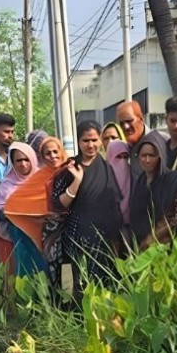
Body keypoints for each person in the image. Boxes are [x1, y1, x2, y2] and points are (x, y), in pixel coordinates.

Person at [52, 121, 124, 291]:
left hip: (102, 237)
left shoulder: (108, 168)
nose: (90, 145)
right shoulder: (68, 169)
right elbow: (58, 205)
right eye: (85, 141)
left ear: (100, 141)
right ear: (78, 142)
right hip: (75, 234)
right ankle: (74, 315)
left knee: (102, 283)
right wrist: (76, 182)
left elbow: (114, 204)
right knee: (75, 283)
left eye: (94, 140)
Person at [6, 135, 66, 279]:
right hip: (50, 232)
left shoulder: (70, 169)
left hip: (71, 227)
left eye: (55, 151)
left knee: (71, 269)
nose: (52, 156)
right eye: (47, 153)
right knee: (52, 270)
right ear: (42, 157)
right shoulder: (41, 176)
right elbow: (13, 206)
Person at [0, 143, 50, 278]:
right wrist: (8, 212)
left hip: (42, 232)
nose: (23, 164)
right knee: (25, 268)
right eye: (19, 160)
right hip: (19, 234)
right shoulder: (7, 183)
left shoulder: (43, 179)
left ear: (32, 158)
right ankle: (27, 297)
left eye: (26, 159)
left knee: (45, 269)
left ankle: (49, 297)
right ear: (12, 162)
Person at [130, 138, 177, 250]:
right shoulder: (141, 181)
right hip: (139, 248)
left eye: (152, 155)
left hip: (165, 247)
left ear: (161, 155)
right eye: (143, 156)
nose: (147, 160)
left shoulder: (173, 180)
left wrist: (152, 239)